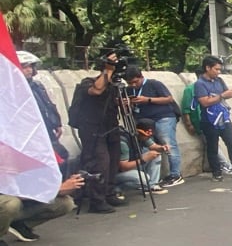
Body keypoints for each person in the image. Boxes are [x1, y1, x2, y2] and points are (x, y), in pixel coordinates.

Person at [68, 50, 125, 213]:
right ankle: (96, 200)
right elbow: (97, 90)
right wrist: (108, 69)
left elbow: (116, 105)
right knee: (100, 163)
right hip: (92, 130)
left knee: (113, 161)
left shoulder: (114, 86)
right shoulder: (87, 82)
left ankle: (109, 193)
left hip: (111, 128)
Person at [124, 66, 184, 187]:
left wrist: (148, 99)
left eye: (136, 82)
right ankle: (150, 180)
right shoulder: (129, 89)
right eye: (130, 83)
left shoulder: (154, 84)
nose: (134, 85)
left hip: (163, 117)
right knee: (148, 148)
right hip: (144, 121)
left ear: (141, 77)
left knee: (168, 143)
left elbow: (168, 98)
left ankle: (175, 174)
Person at [193, 55, 232, 181]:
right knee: (212, 146)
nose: (218, 72)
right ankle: (216, 172)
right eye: (216, 69)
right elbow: (204, 102)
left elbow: (225, 95)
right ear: (207, 68)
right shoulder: (199, 84)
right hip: (209, 119)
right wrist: (222, 95)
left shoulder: (219, 81)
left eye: (219, 69)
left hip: (223, 117)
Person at [0, 174, 83, 246]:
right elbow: (15, 193)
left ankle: (18, 224)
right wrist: (55, 190)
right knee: (11, 203)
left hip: (20, 196)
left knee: (64, 203)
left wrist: (69, 186)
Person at [17, 51, 69, 174]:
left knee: (62, 156)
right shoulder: (15, 88)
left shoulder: (37, 85)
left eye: (30, 66)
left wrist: (57, 123)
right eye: (25, 67)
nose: (29, 70)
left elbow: (48, 105)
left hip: (47, 130)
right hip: (30, 134)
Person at [181, 76, 231, 174]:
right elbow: (186, 109)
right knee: (212, 144)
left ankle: (223, 165)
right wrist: (189, 124)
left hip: (215, 118)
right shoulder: (190, 89)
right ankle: (225, 164)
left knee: (214, 144)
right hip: (201, 120)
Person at [115, 118, 169, 195]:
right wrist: (144, 159)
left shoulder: (143, 137)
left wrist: (162, 148)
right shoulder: (123, 143)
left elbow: (153, 146)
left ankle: (151, 186)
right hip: (118, 173)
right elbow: (123, 167)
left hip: (131, 166)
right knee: (143, 179)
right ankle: (116, 188)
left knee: (156, 155)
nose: (148, 138)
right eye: (145, 135)